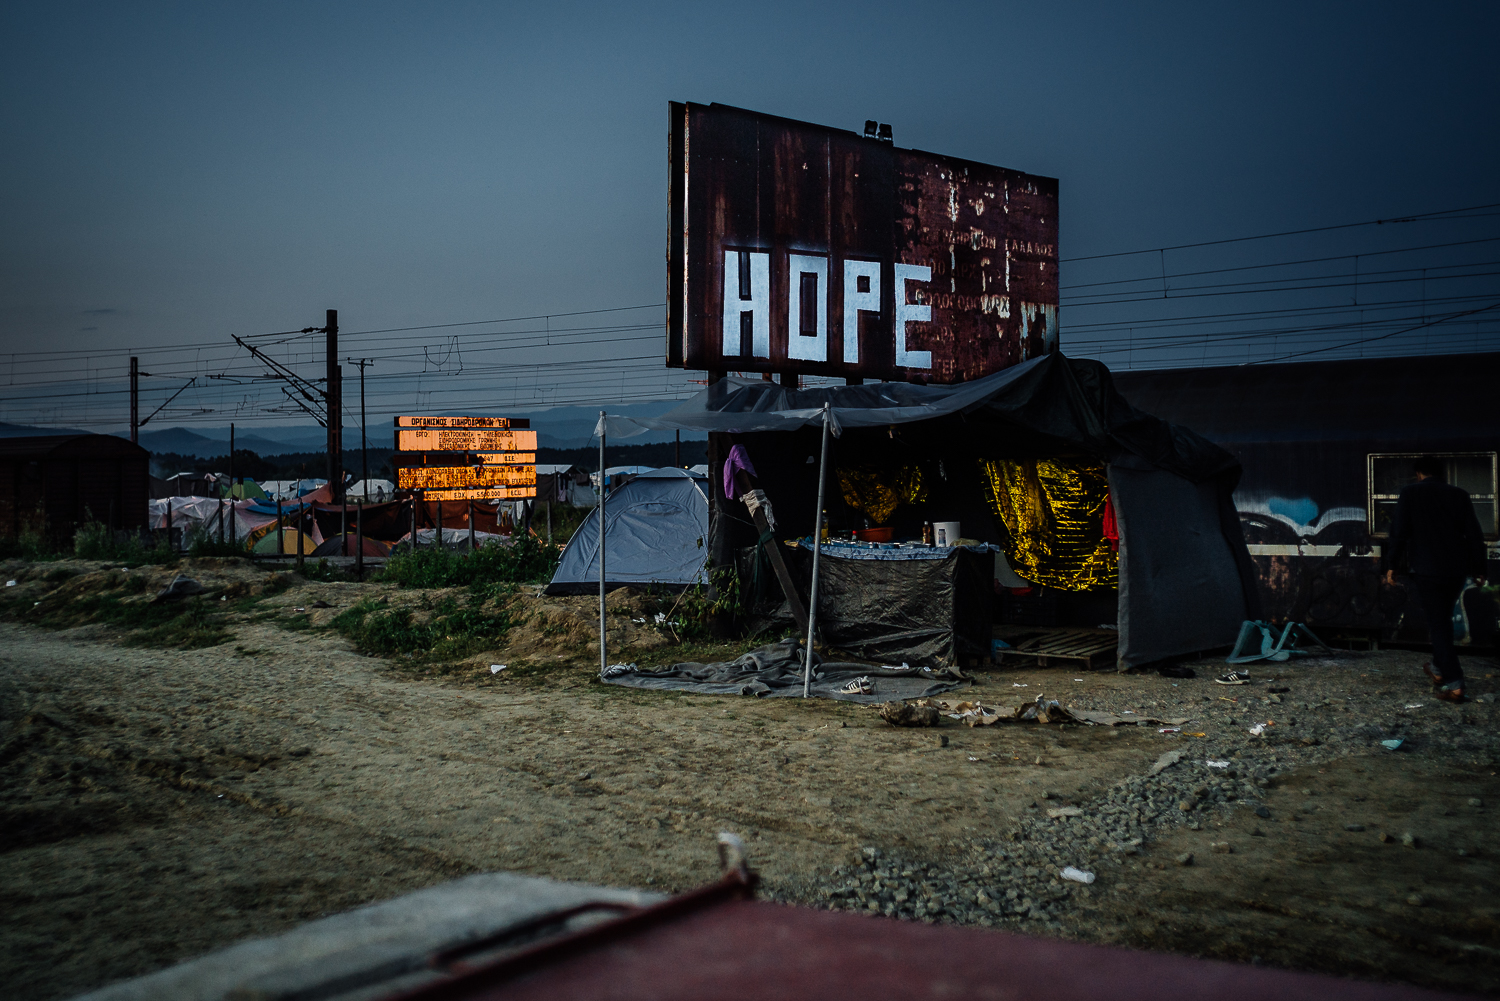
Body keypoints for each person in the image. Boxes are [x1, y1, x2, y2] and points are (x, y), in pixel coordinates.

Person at [1384, 456, 1487, 702]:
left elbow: (1398, 532)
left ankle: (1455, 683)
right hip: (1456, 570)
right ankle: (1438, 669)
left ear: (1419, 473)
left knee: (1438, 624)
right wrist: (1480, 569)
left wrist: (1391, 565)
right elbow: (1474, 533)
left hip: (1426, 570)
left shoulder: (1410, 493)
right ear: (1442, 474)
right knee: (1443, 621)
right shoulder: (1459, 494)